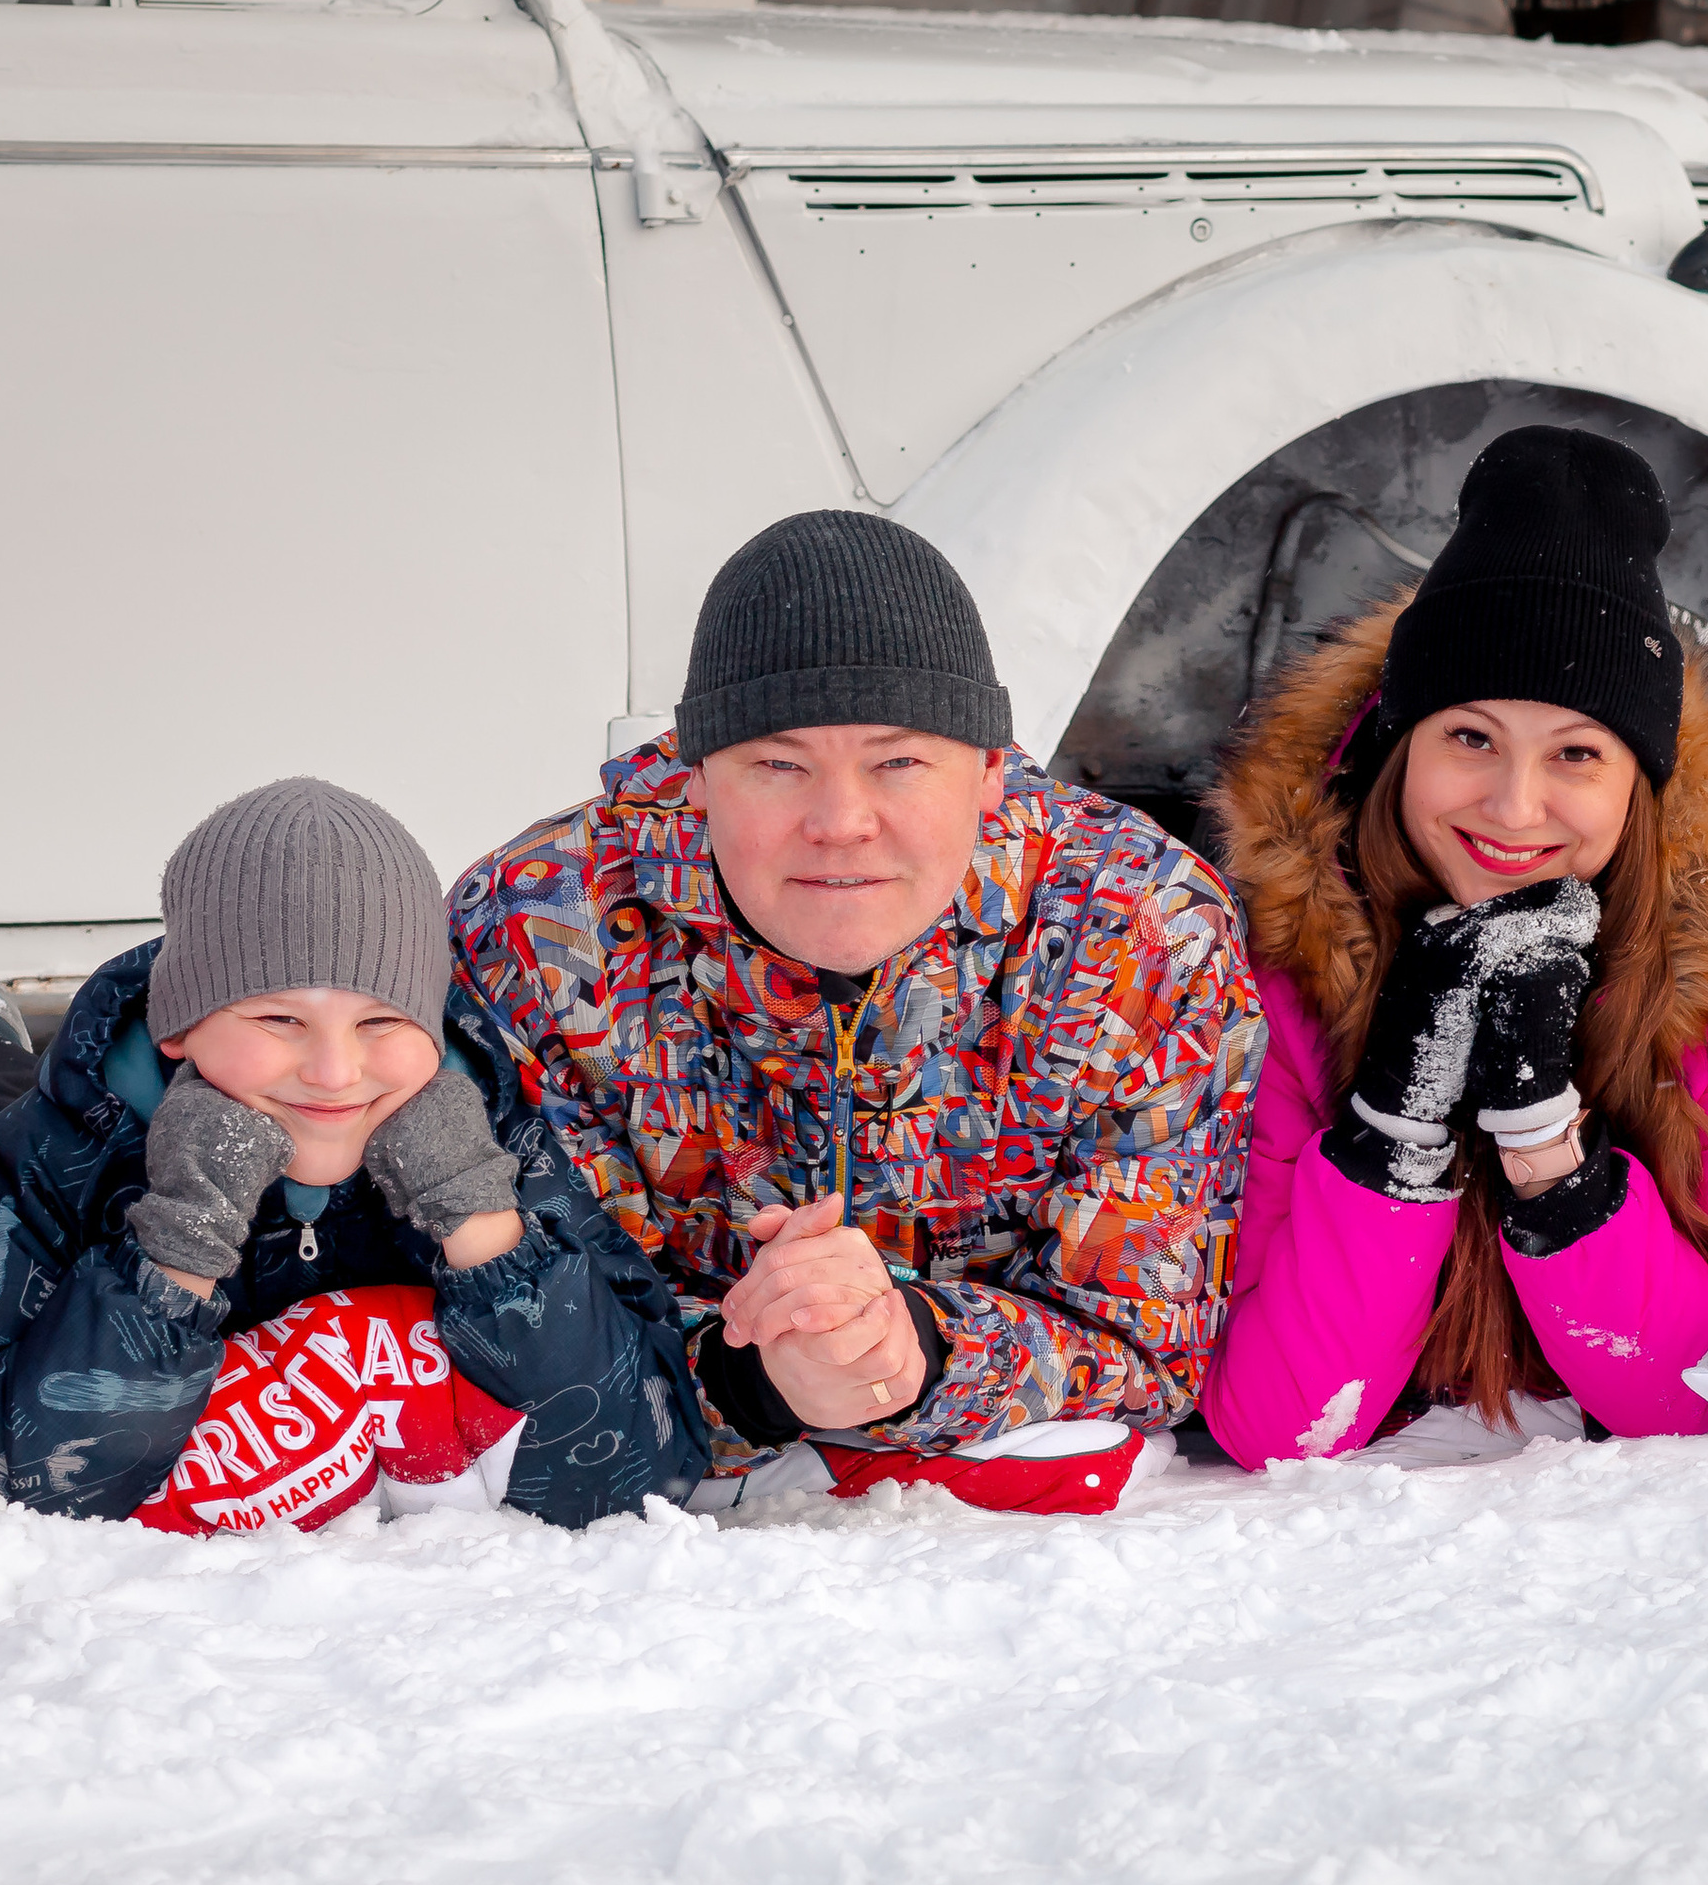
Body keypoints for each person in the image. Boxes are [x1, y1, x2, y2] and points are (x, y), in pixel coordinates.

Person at [449, 510, 1263, 1498]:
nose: (840, 822)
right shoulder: (539, 933)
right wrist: (757, 1381)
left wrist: (917, 1350)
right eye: (778, 764)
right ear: (696, 771)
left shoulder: (1138, 928)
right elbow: (533, 1348)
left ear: (991, 769)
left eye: (898, 761)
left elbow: (1147, 1344)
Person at [1197, 425, 1708, 1468]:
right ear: (1400, 745)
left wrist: (1548, 1148)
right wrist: (1395, 1123)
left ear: (1639, 784)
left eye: (1576, 754)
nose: (1513, 806)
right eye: (1470, 738)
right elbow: (1277, 1423)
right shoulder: (1285, 937)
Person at [0, 780, 704, 1523]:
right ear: (179, 1026)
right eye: (279, 1020)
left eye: (381, 1022)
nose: (335, 1073)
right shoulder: (48, 1157)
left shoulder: (492, 1138)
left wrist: (481, 1221)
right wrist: (177, 1245)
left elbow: (641, 1467)